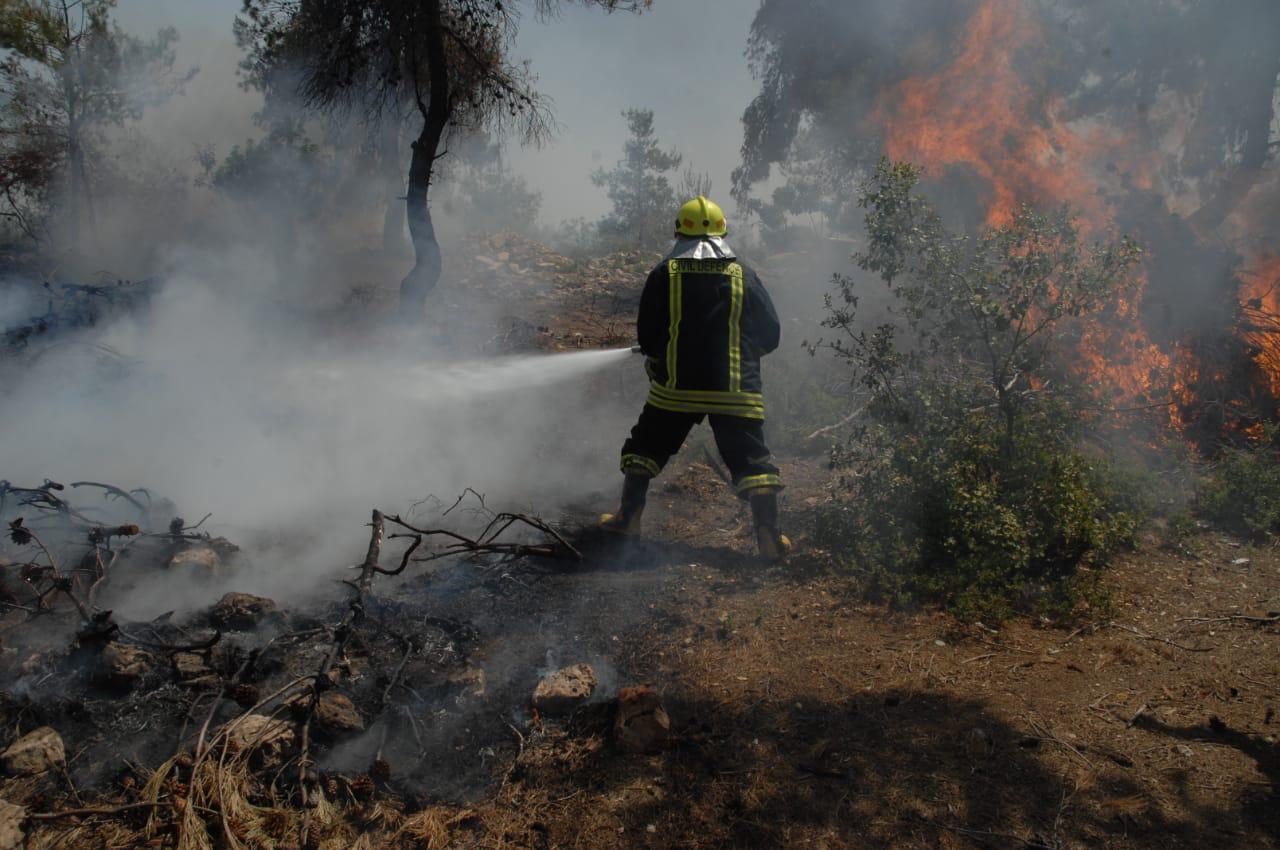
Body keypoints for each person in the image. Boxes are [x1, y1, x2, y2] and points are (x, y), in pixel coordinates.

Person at [600, 195, 791, 562]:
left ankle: (628, 519)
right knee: (754, 462)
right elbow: (771, 335)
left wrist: (660, 360)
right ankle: (769, 539)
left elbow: (648, 336)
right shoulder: (744, 275)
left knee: (644, 448)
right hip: (736, 391)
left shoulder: (663, 274)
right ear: (723, 232)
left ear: (678, 232)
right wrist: (745, 357)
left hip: (676, 391)